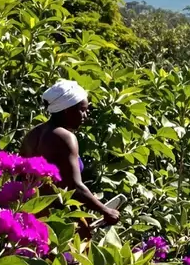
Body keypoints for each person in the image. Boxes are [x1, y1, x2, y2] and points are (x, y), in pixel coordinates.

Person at [21, 80, 121, 237]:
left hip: (31, 216)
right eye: (82, 110)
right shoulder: (65, 137)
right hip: (59, 219)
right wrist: (105, 210)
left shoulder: (32, 134)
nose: (85, 116)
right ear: (67, 110)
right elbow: (74, 186)